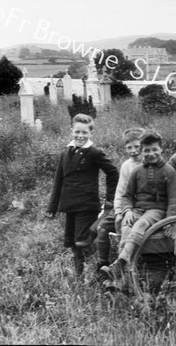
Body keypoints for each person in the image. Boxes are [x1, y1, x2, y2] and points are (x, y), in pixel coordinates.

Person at [101, 130, 176, 288]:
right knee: (126, 226)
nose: (151, 154)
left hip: (157, 210)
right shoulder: (137, 171)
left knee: (141, 224)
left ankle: (120, 263)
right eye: (147, 150)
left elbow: (173, 199)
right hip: (138, 208)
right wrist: (128, 210)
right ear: (142, 151)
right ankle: (122, 278)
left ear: (161, 149)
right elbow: (127, 195)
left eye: (154, 149)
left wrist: (170, 220)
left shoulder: (169, 171)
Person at [46, 113, 119, 278]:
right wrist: (52, 206)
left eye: (84, 132)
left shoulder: (94, 152)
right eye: (77, 132)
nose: (80, 136)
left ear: (91, 133)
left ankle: (102, 221)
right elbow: (59, 179)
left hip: (87, 203)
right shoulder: (66, 152)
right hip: (69, 204)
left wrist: (110, 199)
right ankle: (80, 273)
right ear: (71, 130)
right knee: (73, 242)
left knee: (82, 239)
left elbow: (113, 172)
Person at [94, 127, 145, 278]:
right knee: (102, 228)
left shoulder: (148, 163)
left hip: (140, 209)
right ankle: (103, 265)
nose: (134, 151)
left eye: (137, 146)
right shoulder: (126, 166)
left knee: (127, 228)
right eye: (129, 147)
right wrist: (117, 211)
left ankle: (123, 266)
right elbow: (120, 192)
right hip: (125, 207)